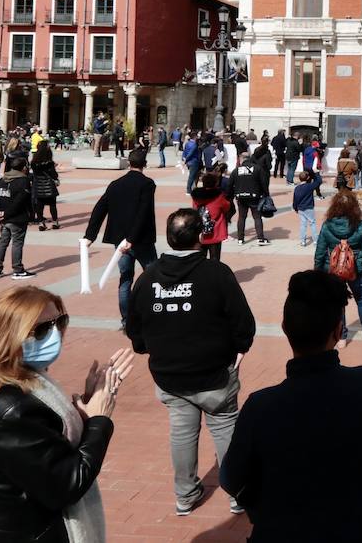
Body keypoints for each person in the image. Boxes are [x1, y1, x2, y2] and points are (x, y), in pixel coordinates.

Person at [0, 286, 133, 543]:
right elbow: (67, 484)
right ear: (5, 337)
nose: (55, 334)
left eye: (60, 322)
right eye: (42, 329)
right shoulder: (12, 410)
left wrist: (85, 409)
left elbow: (37, 456)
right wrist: (99, 421)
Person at [220, 270, 362, 541]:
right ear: (338, 331)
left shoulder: (261, 407)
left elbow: (231, 479)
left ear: (285, 327)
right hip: (360, 527)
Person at [127, 208, 256, 517]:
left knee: (182, 434)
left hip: (171, 375)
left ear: (169, 238)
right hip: (214, 374)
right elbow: (243, 323)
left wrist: (151, 347)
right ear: (202, 236)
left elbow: (135, 332)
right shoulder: (216, 273)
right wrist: (239, 349)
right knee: (225, 429)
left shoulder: (147, 280)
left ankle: (185, 495)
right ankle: (237, 492)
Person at [85, 147, 159, 328]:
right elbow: (143, 213)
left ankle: (127, 320)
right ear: (145, 164)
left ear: (128, 162)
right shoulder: (147, 184)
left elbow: (99, 208)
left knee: (125, 279)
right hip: (141, 240)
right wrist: (132, 239)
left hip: (119, 241)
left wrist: (90, 236)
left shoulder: (115, 184)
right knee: (154, 276)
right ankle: (154, 315)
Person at [314, 189, 362, 345]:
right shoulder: (360, 225)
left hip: (333, 271)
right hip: (356, 269)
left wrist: (317, 272)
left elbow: (320, 250)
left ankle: (342, 337)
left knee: (338, 303)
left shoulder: (327, 225)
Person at [0, 155, 36, 281]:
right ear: (23, 168)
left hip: (4, 218)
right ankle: (18, 269)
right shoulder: (23, 181)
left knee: (2, 242)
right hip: (17, 218)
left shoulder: (2, 179)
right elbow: (21, 201)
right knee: (17, 243)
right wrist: (31, 215)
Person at [227, 149, 270, 246]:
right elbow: (264, 183)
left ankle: (240, 239)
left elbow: (230, 185)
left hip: (241, 197)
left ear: (241, 159)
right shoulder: (257, 168)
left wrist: (230, 196)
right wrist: (266, 194)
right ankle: (260, 238)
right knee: (257, 217)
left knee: (241, 217)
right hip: (255, 196)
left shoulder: (236, 170)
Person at [191, 170, 233, 262]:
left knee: (200, 259)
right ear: (215, 183)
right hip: (215, 231)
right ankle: (214, 275)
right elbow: (227, 207)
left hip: (200, 231)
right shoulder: (218, 196)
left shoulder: (196, 196)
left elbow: (194, 209)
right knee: (215, 259)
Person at [30, 141, 61, 231]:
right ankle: (55, 222)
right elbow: (54, 175)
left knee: (40, 205)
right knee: (52, 205)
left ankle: (41, 223)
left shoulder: (34, 162)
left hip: (38, 185)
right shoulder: (49, 163)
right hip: (49, 186)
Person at [290, 167, 322, 248]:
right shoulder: (309, 186)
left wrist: (295, 208)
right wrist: (316, 174)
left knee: (303, 224)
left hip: (300, 208)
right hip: (309, 207)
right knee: (312, 223)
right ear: (308, 178)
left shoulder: (297, 188)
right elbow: (318, 182)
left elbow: (295, 199)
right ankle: (315, 240)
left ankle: (303, 241)